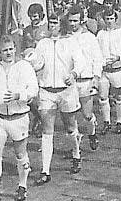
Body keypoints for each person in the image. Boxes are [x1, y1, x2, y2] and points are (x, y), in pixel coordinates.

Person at [0, 35, 38, 201]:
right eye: (5, 50)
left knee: (20, 154)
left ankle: (22, 185)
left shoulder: (24, 66)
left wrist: (19, 95)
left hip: (18, 117)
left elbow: (33, 89)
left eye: (11, 49)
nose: (9, 53)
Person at [34, 12, 85, 181]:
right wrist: (31, 64)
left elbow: (80, 62)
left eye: (55, 23)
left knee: (70, 127)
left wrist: (74, 74)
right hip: (47, 91)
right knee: (47, 131)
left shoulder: (70, 42)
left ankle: (76, 154)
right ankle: (45, 171)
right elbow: (38, 63)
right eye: (50, 23)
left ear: (61, 25)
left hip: (66, 91)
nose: (52, 26)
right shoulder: (42, 43)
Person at [67, 5, 103, 150]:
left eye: (75, 20)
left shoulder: (89, 37)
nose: (72, 24)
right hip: (70, 83)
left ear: (81, 20)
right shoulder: (65, 38)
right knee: (71, 118)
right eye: (70, 21)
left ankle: (92, 134)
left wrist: (96, 76)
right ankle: (76, 149)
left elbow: (97, 58)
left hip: (86, 81)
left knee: (87, 115)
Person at [96, 9, 121, 135]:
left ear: (115, 19)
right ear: (104, 20)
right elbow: (96, 52)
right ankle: (106, 122)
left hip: (118, 69)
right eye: (107, 19)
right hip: (104, 70)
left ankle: (119, 122)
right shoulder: (100, 34)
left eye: (111, 18)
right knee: (103, 97)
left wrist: (118, 57)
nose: (109, 21)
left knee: (118, 97)